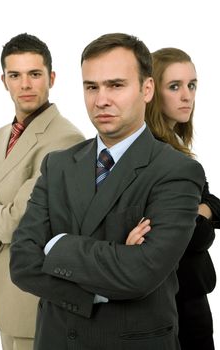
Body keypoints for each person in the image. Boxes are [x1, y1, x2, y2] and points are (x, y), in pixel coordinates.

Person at [10, 33, 205, 350]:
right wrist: (113, 264)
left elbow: (141, 273)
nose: (101, 99)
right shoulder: (57, 165)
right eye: (91, 87)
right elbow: (22, 263)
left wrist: (57, 245)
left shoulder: (177, 171)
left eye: (115, 85)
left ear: (147, 89)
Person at [0, 33, 85, 350]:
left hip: (33, 299)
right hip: (0, 295)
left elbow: (14, 223)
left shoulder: (65, 140)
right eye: (15, 75)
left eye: (35, 74)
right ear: (3, 80)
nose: (25, 85)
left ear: (51, 78)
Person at [145, 47, 220, 350]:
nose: (187, 95)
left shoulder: (177, 145)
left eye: (192, 85)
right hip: (174, 297)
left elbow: (215, 204)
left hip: (187, 293)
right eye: (174, 86)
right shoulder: (155, 153)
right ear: (150, 91)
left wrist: (204, 209)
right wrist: (203, 215)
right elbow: (193, 237)